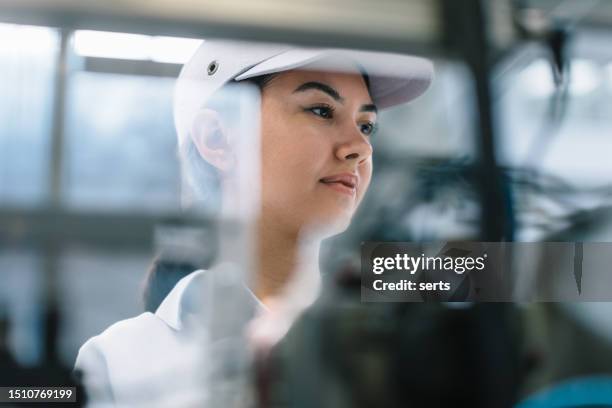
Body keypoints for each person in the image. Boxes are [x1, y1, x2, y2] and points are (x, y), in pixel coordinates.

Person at [74, 39, 433, 407]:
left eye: (367, 125)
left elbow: (479, 275)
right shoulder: (116, 364)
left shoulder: (398, 299)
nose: (361, 147)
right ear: (217, 139)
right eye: (322, 110)